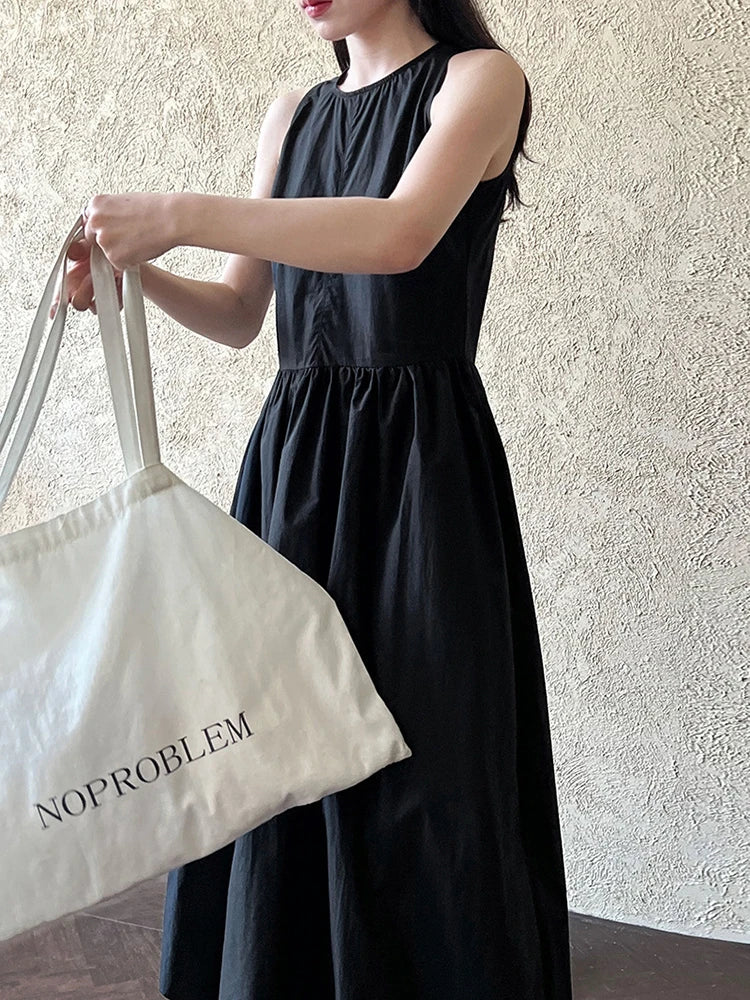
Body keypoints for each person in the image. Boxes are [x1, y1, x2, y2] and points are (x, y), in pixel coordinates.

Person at [59, 1, 573, 997]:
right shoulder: (294, 114)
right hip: (296, 463)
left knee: (427, 751)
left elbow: (400, 234)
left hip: (420, 470)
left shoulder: (481, 80)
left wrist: (181, 212)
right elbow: (241, 313)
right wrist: (136, 272)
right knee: (281, 739)